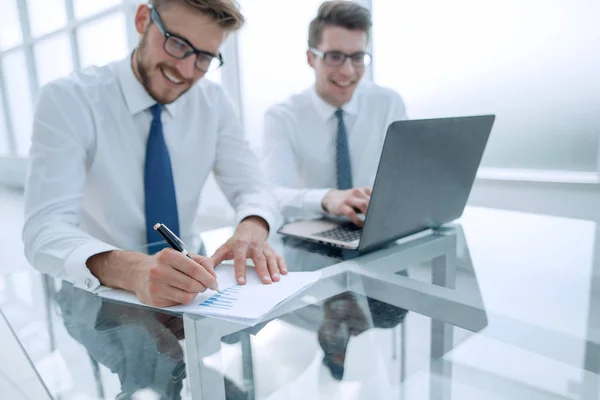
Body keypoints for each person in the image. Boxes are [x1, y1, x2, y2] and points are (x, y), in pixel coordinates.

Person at [23, 0, 287, 308]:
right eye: (177, 43)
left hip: (193, 287)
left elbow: (253, 187)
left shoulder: (213, 102)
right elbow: (43, 229)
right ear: (142, 20)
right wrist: (133, 270)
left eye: (204, 57)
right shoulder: (69, 100)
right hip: (101, 293)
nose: (186, 70)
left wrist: (252, 226)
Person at [262, 0, 408, 227]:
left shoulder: (388, 104)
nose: (348, 71)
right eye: (334, 57)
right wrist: (326, 198)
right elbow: (270, 193)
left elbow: (405, 177)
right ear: (311, 58)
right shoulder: (282, 117)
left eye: (357, 57)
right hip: (309, 242)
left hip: (376, 230)